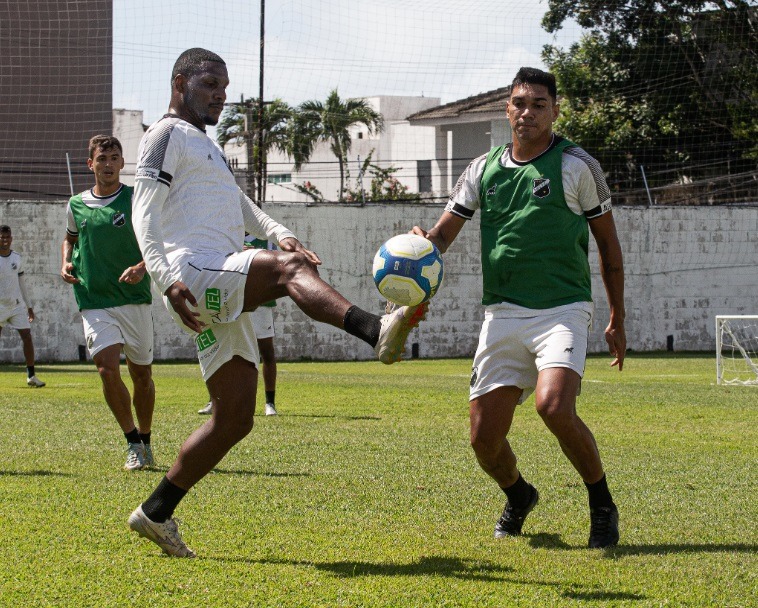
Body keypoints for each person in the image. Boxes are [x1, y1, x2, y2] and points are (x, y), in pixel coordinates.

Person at [127, 48, 425, 557]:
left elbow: (241, 206)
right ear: (180, 82)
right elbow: (142, 212)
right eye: (210, 84)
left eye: (225, 87)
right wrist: (164, 278)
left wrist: (279, 232)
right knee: (289, 272)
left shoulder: (206, 146)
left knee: (235, 419)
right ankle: (375, 331)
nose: (221, 95)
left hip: (217, 272)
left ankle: (155, 512)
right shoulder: (164, 135)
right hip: (194, 275)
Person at [412, 67, 625, 549]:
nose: (527, 112)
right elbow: (443, 235)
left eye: (538, 104)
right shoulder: (483, 168)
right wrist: (419, 246)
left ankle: (601, 504)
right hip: (502, 313)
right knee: (483, 441)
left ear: (554, 110)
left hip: (562, 309)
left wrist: (617, 317)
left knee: (553, 405)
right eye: (519, 103)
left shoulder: (576, 165)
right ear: (507, 108)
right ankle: (520, 494)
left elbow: (609, 247)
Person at [60, 135, 157, 472]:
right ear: (91, 164)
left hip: (134, 299)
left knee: (141, 375)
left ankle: (145, 439)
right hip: (94, 299)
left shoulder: (135, 199)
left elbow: (156, 239)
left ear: (122, 163)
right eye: (101, 159)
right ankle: (132, 441)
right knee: (106, 368)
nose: (108, 164)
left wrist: (142, 267)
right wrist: (66, 262)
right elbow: (70, 239)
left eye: (114, 158)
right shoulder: (76, 204)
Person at [198, 237, 279, 416]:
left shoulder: (267, 239)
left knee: (266, 352)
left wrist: (256, 256)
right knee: (223, 349)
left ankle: (270, 403)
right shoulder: (229, 234)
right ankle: (215, 400)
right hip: (235, 301)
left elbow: (277, 265)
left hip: (262, 305)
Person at [0, 225, 45, 387]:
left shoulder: (17, 258)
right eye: (2, 237)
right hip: (0, 307)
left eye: (7, 237)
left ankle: (31, 376)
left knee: (27, 336)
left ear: (11, 239)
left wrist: (29, 306)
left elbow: (22, 283)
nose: (5, 240)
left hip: (16, 306)